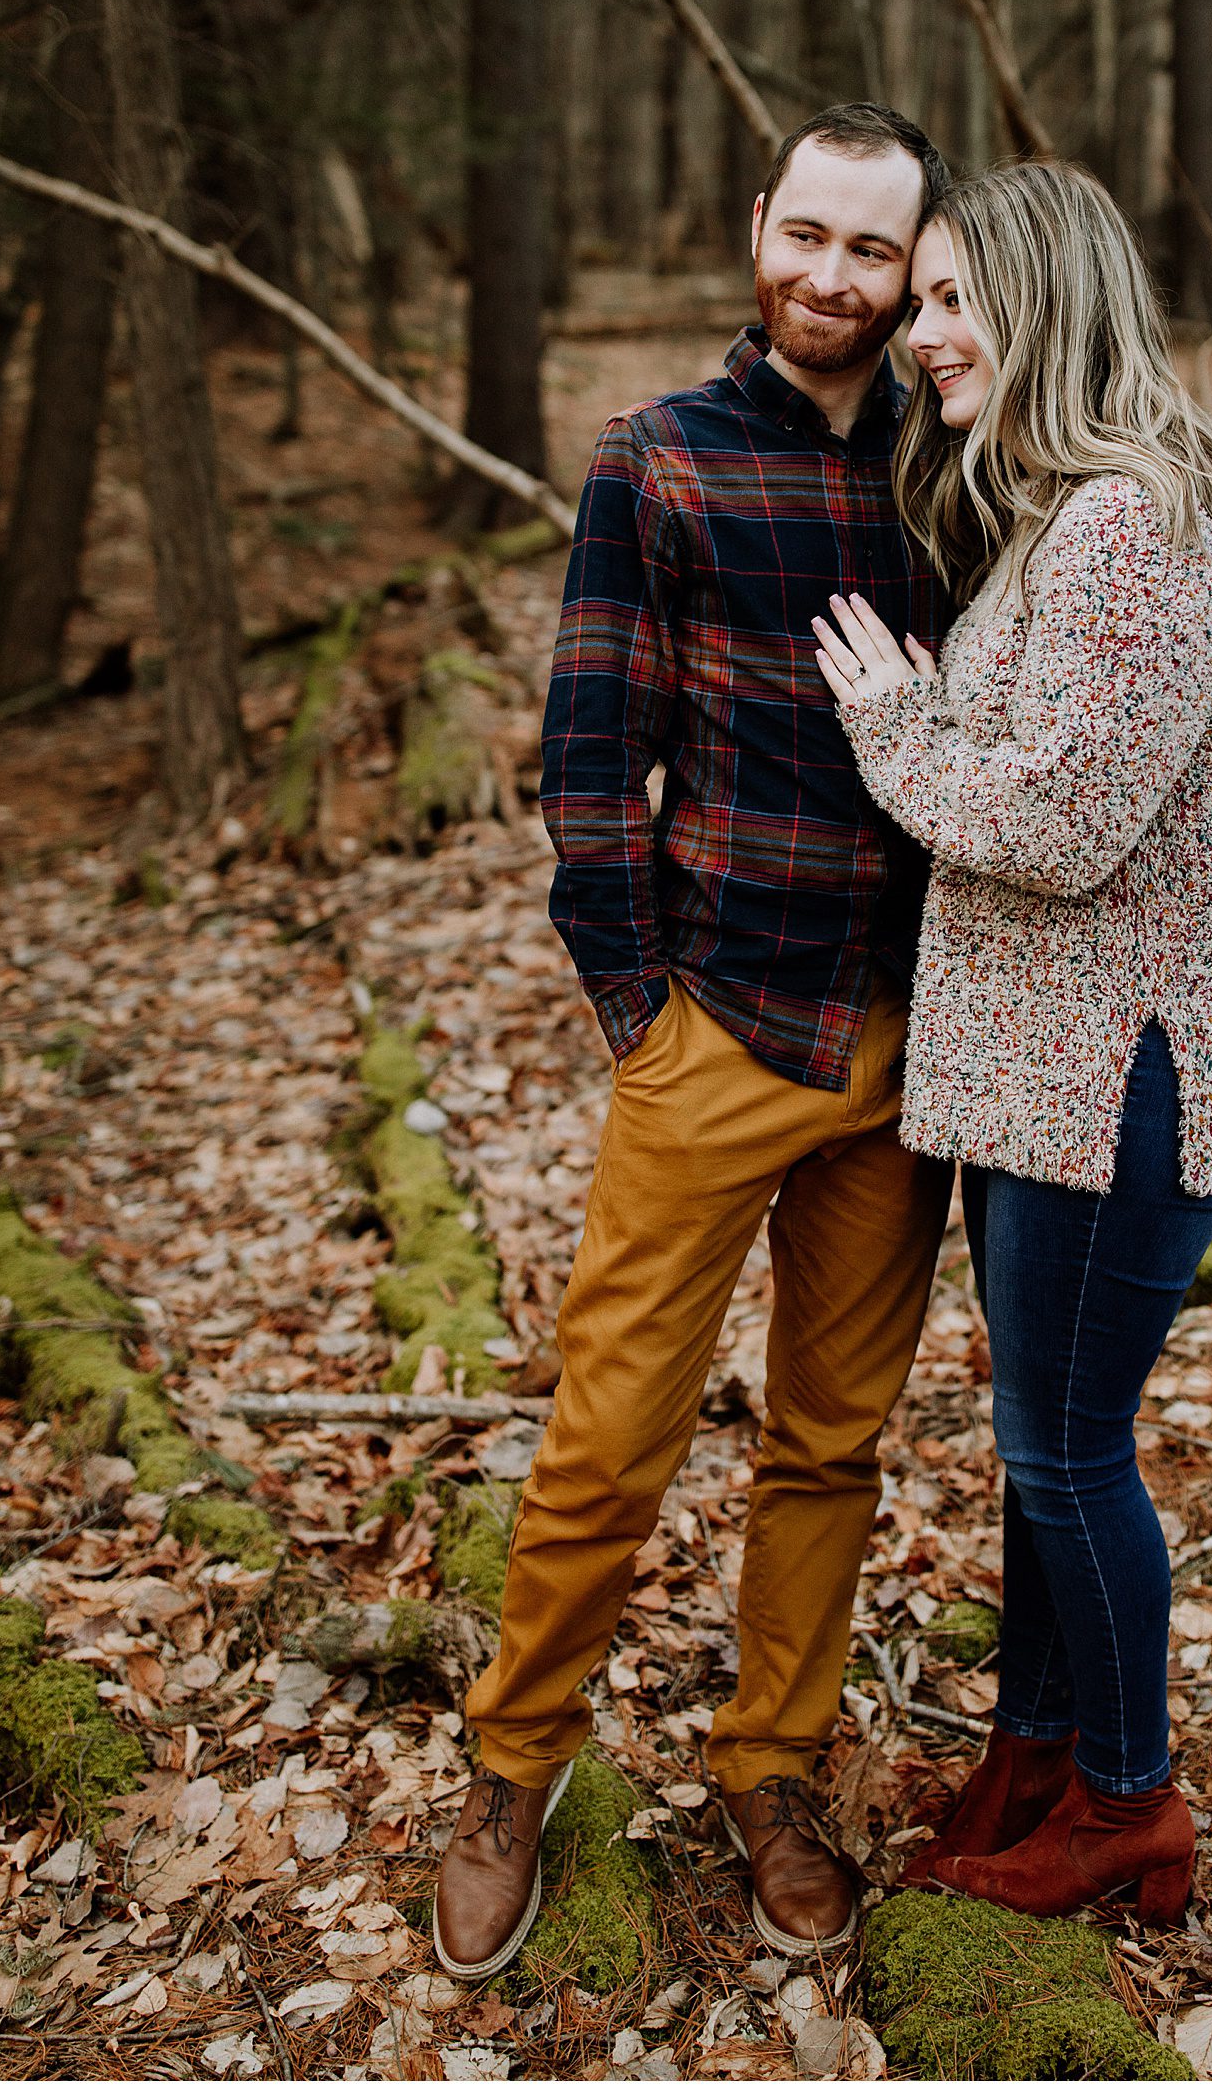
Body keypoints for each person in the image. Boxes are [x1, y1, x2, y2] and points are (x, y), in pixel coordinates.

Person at [434, 104, 957, 1982]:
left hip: (909, 1047)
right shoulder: (652, 463)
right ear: (760, 228)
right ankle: (513, 1764)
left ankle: (772, 1768)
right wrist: (635, 1014)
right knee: (609, 1436)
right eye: (805, 234)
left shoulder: (955, 472)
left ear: (916, 271)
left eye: (870, 251)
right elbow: (590, 764)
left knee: (829, 1444)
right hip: (716, 1027)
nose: (830, 276)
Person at [813, 160, 1212, 1927]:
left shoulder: (1130, 519)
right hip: (1058, 1070)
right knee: (1042, 1441)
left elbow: (1064, 820)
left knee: (1069, 1452)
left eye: (954, 301)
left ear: (1050, 300)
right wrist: (942, 720)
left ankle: (1125, 1804)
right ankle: (1036, 1745)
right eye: (918, 298)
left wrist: (889, 723)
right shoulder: (1062, 505)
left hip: (1129, 1076)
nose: (921, 333)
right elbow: (1045, 762)